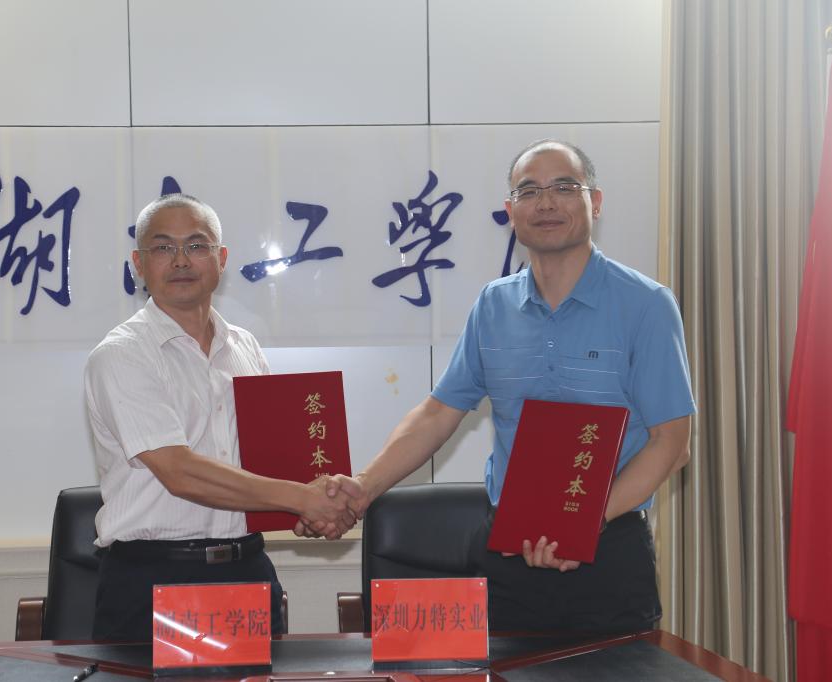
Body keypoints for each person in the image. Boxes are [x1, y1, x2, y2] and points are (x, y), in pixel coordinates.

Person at [301, 140, 695, 634]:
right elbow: (438, 412)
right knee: (499, 669)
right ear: (510, 212)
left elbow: (670, 442)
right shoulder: (493, 305)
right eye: (529, 191)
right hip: (507, 550)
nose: (546, 203)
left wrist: (583, 523)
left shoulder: (646, 305)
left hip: (608, 545)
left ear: (595, 202)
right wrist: (363, 486)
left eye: (564, 188)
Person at [85, 193, 358, 641]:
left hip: (246, 569)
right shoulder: (122, 354)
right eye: (163, 247)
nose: (180, 260)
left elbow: (267, 463)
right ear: (139, 264)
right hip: (154, 578)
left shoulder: (244, 346)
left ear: (221, 258)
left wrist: (306, 506)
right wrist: (301, 497)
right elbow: (180, 472)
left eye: (196, 245)